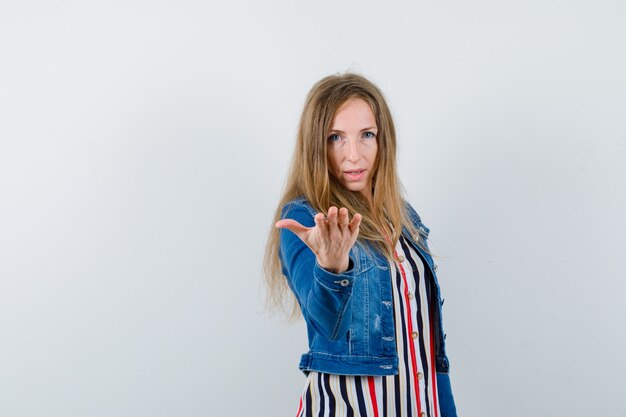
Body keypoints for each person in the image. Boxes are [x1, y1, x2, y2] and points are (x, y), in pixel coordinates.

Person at [264, 73, 458, 417]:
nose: (354, 155)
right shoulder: (306, 218)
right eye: (336, 137)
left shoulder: (403, 218)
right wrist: (332, 267)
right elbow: (326, 322)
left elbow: (427, 349)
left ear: (384, 139)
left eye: (366, 135)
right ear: (316, 145)